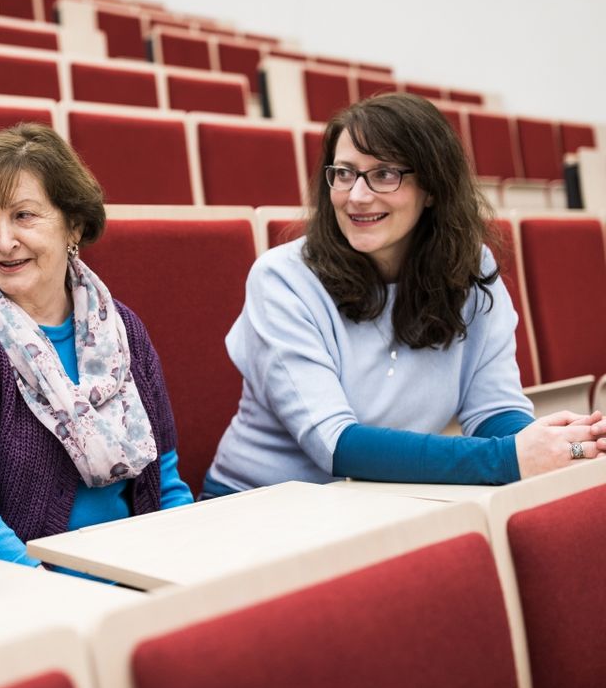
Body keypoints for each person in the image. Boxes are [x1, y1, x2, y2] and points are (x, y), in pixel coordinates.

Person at [204, 93, 606, 496]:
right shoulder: (282, 278)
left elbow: (494, 410)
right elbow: (335, 444)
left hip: (383, 498)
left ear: (431, 188)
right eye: (344, 173)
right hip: (256, 505)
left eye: (384, 174)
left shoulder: (470, 269)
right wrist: (510, 460)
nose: (357, 195)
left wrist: (552, 448)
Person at [0, 123, 194, 569]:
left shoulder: (120, 327)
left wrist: (189, 574)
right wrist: (68, 598)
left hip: (135, 575)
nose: (3, 241)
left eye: (24, 216)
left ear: (74, 225)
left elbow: (165, 486)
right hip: (11, 592)